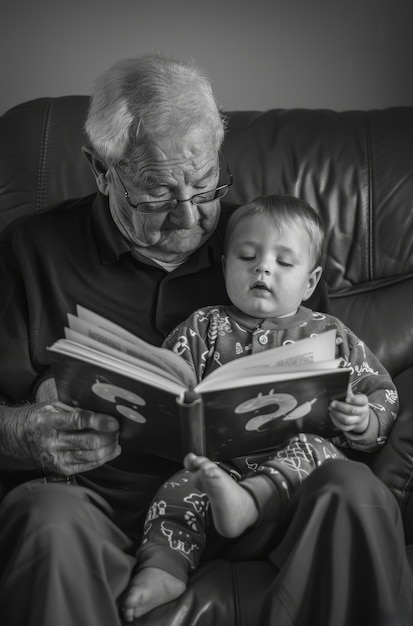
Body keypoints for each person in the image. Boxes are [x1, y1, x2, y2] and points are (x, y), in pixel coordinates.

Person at [0, 54, 411, 626]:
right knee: (43, 517)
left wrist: (355, 419)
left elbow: (328, 372)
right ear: (101, 170)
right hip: (99, 504)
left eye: (205, 185)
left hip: (270, 494)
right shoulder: (29, 252)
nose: (190, 217)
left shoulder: (262, 244)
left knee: (352, 489)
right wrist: (22, 433)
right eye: (158, 194)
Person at [121, 194, 399, 621]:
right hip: (222, 475)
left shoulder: (330, 335)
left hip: (303, 493)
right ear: (225, 264)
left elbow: (383, 391)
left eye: (284, 263)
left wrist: (364, 420)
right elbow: (164, 384)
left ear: (310, 282)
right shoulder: (204, 326)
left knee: (318, 450)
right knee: (179, 487)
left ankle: (253, 501)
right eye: (247, 256)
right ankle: (163, 567)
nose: (263, 268)